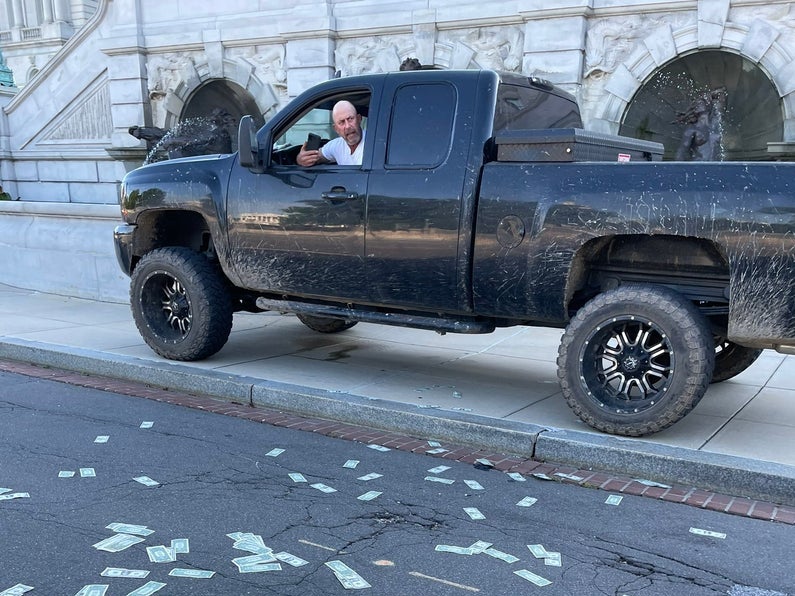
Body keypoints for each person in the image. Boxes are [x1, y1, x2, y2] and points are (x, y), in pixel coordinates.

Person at [297, 100, 365, 166]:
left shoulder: (374, 143)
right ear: (336, 129)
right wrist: (301, 159)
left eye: (350, 119)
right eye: (341, 122)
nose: (347, 126)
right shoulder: (337, 145)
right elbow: (315, 157)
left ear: (359, 119)